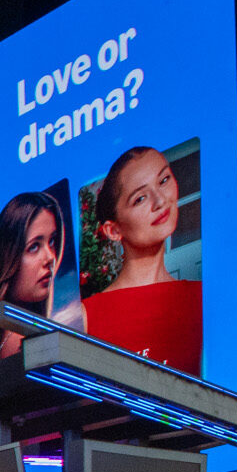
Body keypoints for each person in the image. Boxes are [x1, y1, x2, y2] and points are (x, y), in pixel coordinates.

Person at [81, 146, 202, 374]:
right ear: (113, 231)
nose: (160, 201)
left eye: (164, 180)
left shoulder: (203, 297)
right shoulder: (87, 316)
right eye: (140, 198)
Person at [0, 188, 72, 367]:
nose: (50, 257)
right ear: (7, 260)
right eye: (34, 247)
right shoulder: (21, 344)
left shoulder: (9, 340)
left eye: (52, 241)